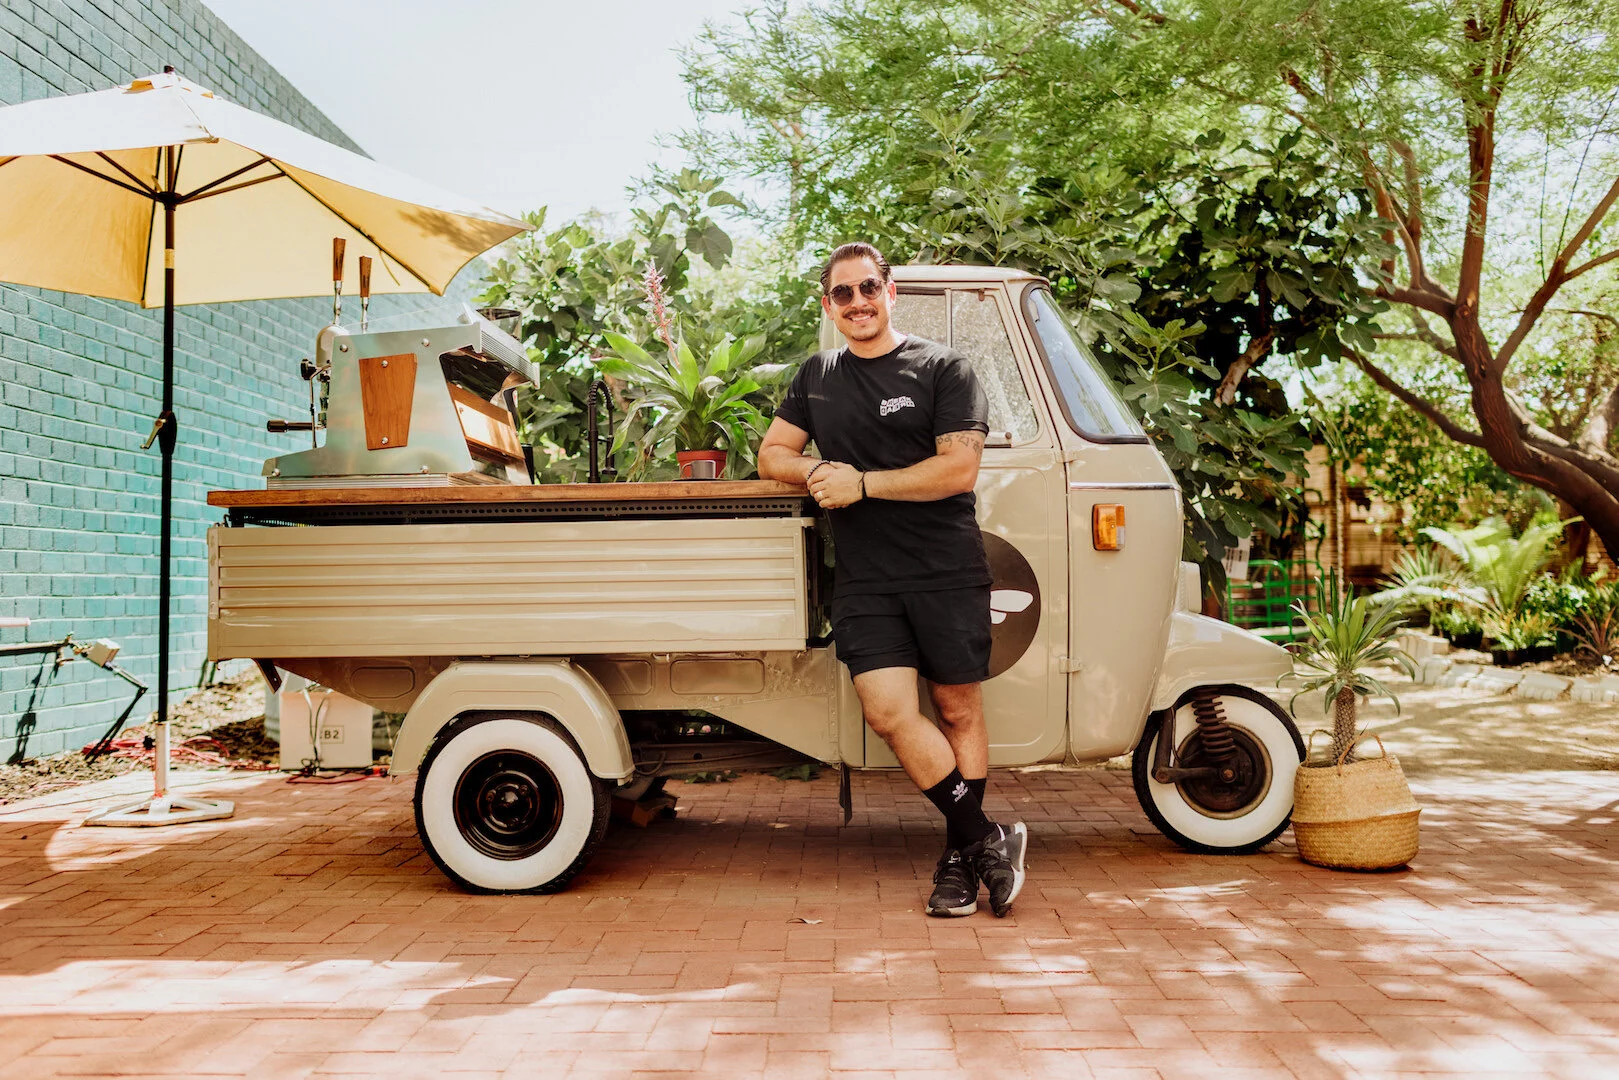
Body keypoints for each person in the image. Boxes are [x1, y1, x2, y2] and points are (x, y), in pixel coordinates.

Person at [758, 241, 1028, 918]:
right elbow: (771, 454)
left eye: (867, 288)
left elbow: (956, 469)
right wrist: (814, 473)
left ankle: (957, 862)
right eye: (842, 293)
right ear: (829, 305)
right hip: (866, 580)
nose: (857, 302)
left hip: (944, 569)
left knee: (958, 709)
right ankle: (983, 837)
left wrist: (863, 484)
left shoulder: (942, 367)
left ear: (890, 291)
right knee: (887, 713)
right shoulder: (817, 375)